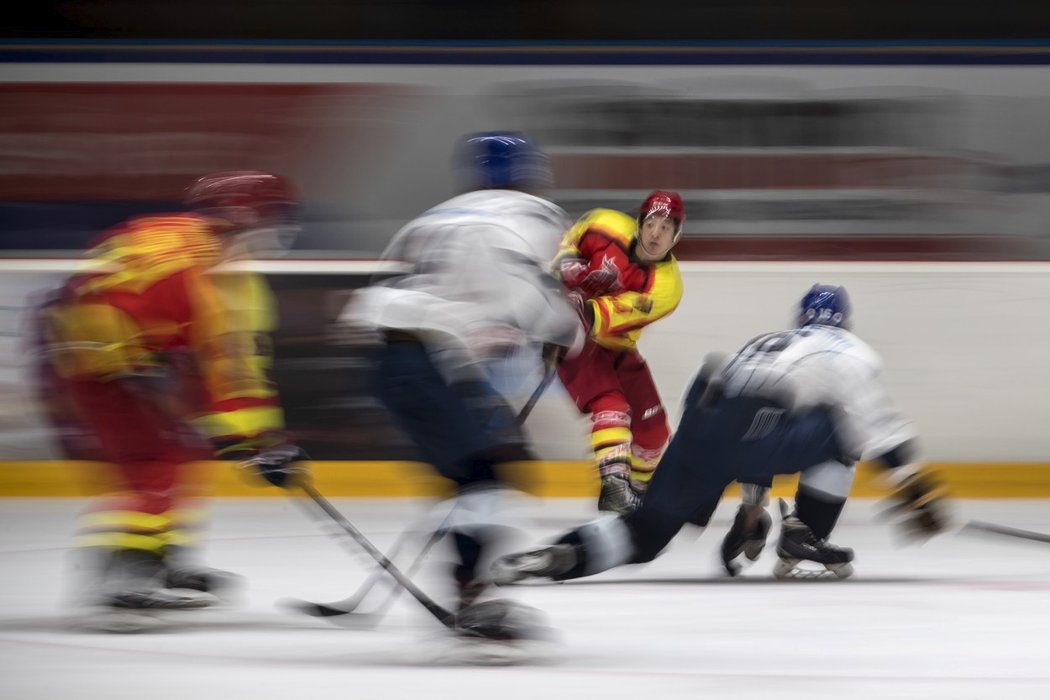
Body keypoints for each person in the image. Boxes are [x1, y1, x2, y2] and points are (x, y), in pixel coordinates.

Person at [491, 283, 950, 586]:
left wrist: (751, 512)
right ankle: (804, 533)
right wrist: (914, 490)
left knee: (644, 536)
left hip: (706, 414)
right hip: (754, 425)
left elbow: (744, 428)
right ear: (845, 324)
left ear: (800, 320)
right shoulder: (850, 349)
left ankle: (559, 555)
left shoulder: (770, 341)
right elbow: (880, 430)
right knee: (844, 424)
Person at [38, 170, 310, 631]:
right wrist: (261, 443)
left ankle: (157, 559)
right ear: (242, 218)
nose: (278, 233)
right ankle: (126, 577)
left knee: (176, 456)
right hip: (114, 368)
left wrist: (249, 440)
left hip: (81, 353)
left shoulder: (157, 227)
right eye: (271, 221)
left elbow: (94, 289)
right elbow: (230, 371)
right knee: (155, 466)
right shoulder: (223, 283)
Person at [340, 132, 583, 631]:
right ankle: (474, 601)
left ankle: (470, 593)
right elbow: (520, 282)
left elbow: (396, 286)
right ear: (531, 172)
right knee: (494, 475)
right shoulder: (528, 213)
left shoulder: (439, 214)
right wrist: (561, 329)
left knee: (473, 477)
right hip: (433, 360)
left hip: (392, 362)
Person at [551, 191, 685, 515]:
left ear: (677, 235)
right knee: (610, 404)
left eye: (666, 227)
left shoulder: (666, 286)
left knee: (653, 433)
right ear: (639, 222)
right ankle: (613, 487)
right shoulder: (604, 223)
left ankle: (637, 491)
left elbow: (604, 317)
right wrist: (565, 263)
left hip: (615, 343)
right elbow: (572, 239)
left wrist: (579, 299)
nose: (656, 233)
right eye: (651, 223)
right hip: (574, 342)